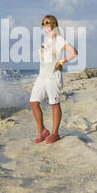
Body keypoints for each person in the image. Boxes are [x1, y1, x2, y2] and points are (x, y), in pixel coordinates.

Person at [29, 15, 78, 144]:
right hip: (42, 76)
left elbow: (74, 53)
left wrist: (61, 62)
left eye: (47, 22)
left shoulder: (60, 39)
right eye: (43, 23)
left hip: (53, 76)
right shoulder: (46, 40)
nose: (44, 25)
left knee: (54, 104)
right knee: (34, 102)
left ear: (54, 24)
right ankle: (42, 131)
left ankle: (55, 133)